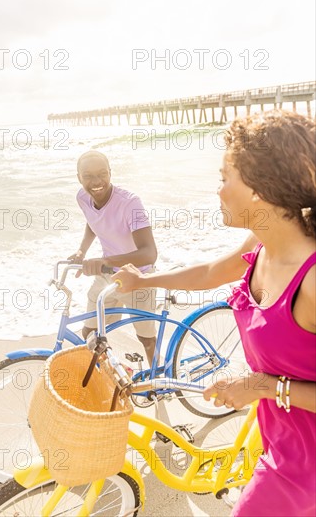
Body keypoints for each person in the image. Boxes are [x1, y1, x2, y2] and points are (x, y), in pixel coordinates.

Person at [112, 110, 316, 516]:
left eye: (225, 178)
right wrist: (143, 282)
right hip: (280, 439)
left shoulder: (311, 280)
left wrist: (259, 387)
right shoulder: (262, 244)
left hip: (304, 470)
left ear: (259, 189)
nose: (218, 190)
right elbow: (209, 273)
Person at [68, 150, 158, 364]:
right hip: (107, 275)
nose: (96, 181)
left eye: (102, 173)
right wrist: (82, 251)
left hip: (138, 277)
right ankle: (110, 374)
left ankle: (159, 382)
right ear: (78, 177)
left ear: (110, 172)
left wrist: (106, 261)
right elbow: (93, 221)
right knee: (90, 332)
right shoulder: (83, 197)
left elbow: (149, 253)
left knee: (146, 339)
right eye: (88, 176)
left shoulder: (130, 203)